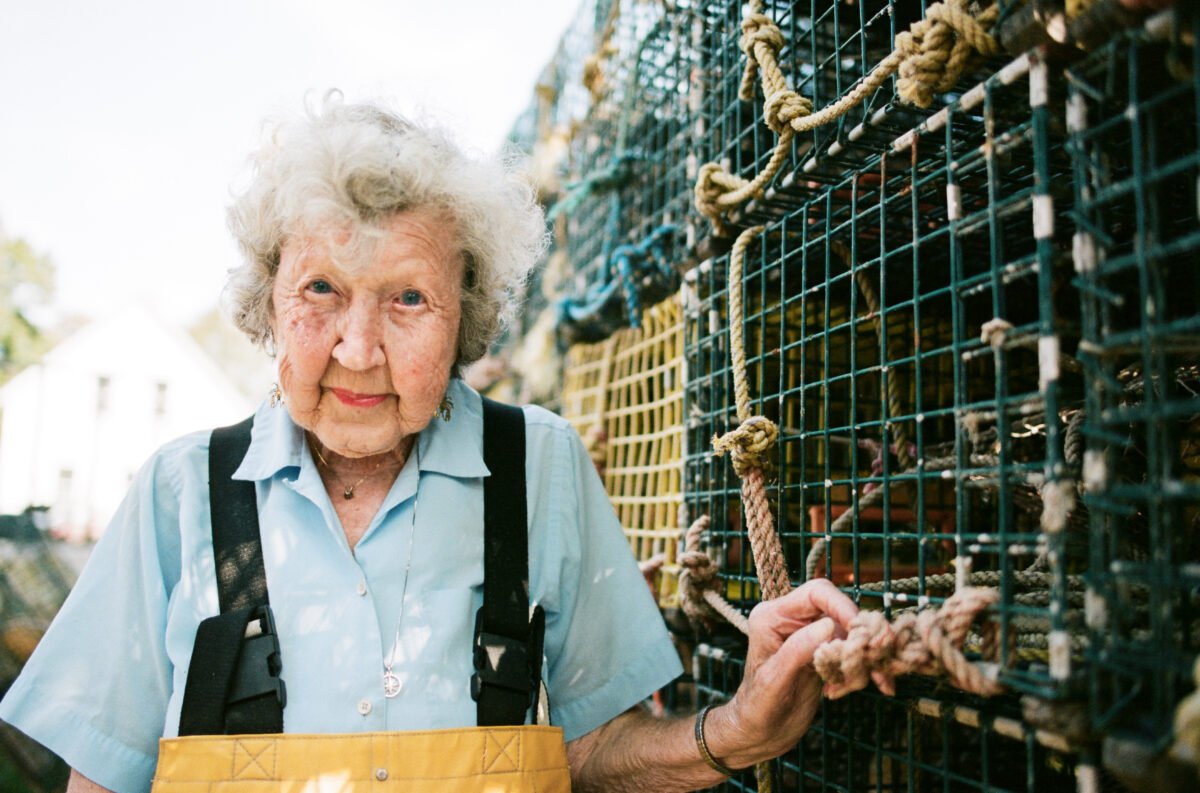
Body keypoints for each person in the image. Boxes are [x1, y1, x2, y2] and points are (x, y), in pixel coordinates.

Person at [0, 95, 858, 793]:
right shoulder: (180, 490)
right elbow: (103, 781)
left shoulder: (540, 466)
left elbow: (595, 754)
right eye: (322, 288)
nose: (359, 347)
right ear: (270, 301)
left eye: (409, 297)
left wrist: (740, 729)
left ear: (466, 317)